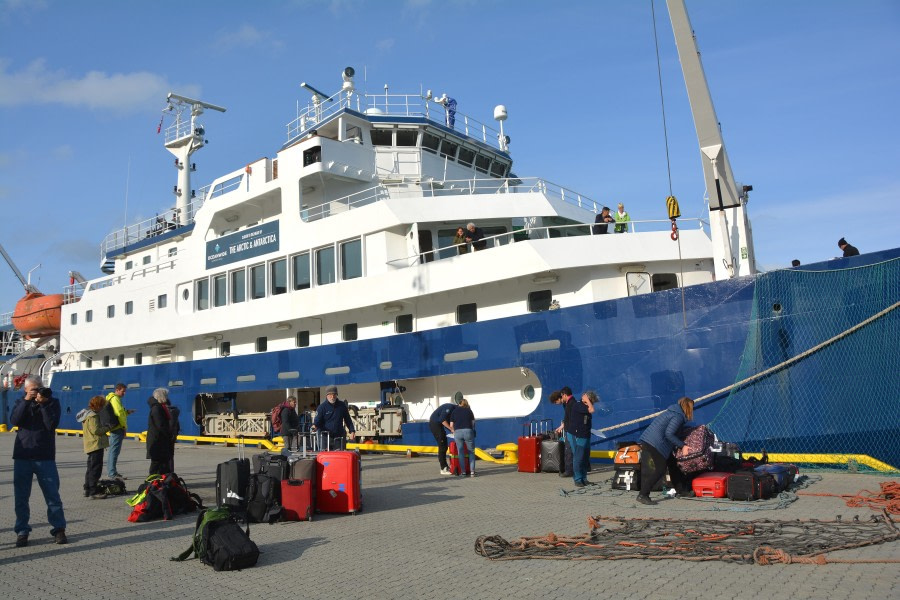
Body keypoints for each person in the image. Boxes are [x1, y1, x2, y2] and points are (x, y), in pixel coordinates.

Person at [10, 377, 67, 546]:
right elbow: (14, 421)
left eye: (39, 388)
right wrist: (27, 401)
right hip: (22, 457)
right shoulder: (20, 402)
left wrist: (43, 404)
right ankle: (22, 531)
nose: (37, 392)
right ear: (25, 390)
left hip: (45, 456)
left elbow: (51, 425)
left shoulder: (51, 402)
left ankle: (59, 529)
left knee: (52, 496)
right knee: (21, 497)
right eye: (33, 389)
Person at [635, 396, 695, 505]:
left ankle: (681, 491)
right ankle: (643, 494)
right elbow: (669, 434)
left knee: (673, 465)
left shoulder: (672, 412)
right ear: (688, 408)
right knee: (660, 469)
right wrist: (683, 446)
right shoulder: (678, 417)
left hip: (653, 441)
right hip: (655, 443)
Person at [77, 395, 111, 499]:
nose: (102, 408)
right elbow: (96, 431)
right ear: (98, 405)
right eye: (101, 406)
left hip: (90, 444)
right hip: (95, 444)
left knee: (90, 468)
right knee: (95, 468)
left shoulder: (86, 415)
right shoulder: (93, 416)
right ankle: (93, 491)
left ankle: (87, 489)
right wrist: (107, 428)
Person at [566, 390, 596, 487]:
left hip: (585, 435)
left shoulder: (584, 406)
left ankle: (584, 478)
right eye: (591, 401)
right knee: (578, 458)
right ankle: (578, 479)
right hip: (577, 435)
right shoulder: (578, 405)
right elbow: (592, 410)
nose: (592, 403)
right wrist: (587, 400)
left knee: (585, 458)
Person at [105, 382, 134, 480]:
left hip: (115, 428)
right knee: (114, 451)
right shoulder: (115, 399)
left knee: (113, 451)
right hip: (117, 428)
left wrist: (127, 412)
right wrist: (124, 427)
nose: (124, 393)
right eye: (123, 391)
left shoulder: (111, 398)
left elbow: (120, 412)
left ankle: (112, 472)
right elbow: (119, 413)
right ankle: (112, 473)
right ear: (117, 390)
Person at [312, 386, 356, 450]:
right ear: (327, 395)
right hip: (325, 437)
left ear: (337, 395)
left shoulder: (342, 406)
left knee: (339, 456)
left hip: (338, 436)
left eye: (334, 395)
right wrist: (314, 426)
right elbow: (317, 421)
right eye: (330, 395)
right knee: (326, 457)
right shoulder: (321, 407)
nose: (332, 397)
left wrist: (352, 431)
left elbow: (348, 419)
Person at [146, 388, 174, 475]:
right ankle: (152, 481)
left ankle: (161, 480)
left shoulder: (159, 407)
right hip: (157, 441)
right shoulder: (157, 409)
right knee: (156, 463)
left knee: (162, 463)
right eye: (166, 396)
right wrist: (169, 435)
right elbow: (160, 425)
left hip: (160, 440)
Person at [429, 398, 459, 475]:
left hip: (439, 425)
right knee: (442, 445)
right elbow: (442, 419)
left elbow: (451, 423)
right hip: (435, 424)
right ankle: (443, 468)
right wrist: (451, 429)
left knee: (444, 445)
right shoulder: (450, 407)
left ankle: (445, 466)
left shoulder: (454, 412)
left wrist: (454, 430)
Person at [449, 398, 477, 477]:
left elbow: (451, 425)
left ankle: (463, 472)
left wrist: (454, 431)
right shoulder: (469, 411)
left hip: (458, 432)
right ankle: (472, 472)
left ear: (459, 404)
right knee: (471, 452)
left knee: (460, 452)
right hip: (468, 431)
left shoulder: (454, 411)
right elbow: (473, 423)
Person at [552, 387, 575, 478]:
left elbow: (569, 418)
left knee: (568, 450)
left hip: (570, 430)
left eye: (555, 402)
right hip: (570, 429)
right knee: (574, 450)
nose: (556, 404)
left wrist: (562, 426)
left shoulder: (569, 404)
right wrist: (562, 426)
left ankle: (569, 470)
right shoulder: (569, 403)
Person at [164, 394, 181, 473]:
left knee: (164, 457)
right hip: (172, 437)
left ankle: (166, 475)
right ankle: (171, 473)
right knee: (171, 457)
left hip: (166, 437)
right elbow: (177, 426)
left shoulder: (166, 412)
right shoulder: (174, 412)